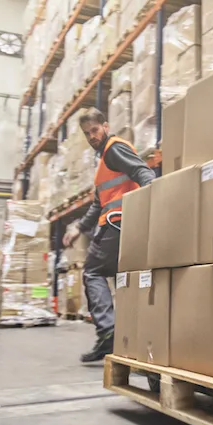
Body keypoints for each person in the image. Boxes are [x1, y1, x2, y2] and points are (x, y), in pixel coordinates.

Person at [62, 108, 155, 363]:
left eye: (95, 130)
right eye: (87, 133)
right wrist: (78, 229)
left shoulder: (114, 148)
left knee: (92, 271)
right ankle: (126, 339)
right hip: (121, 222)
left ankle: (107, 333)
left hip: (117, 223)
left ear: (105, 126)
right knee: (121, 281)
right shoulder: (103, 160)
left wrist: (154, 199)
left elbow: (143, 172)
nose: (92, 136)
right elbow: (97, 203)